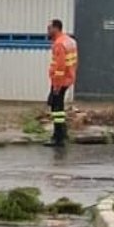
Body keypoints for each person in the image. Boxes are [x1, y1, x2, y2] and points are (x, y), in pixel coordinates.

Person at [47, 18, 78, 147]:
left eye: (49, 28)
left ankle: (58, 137)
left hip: (60, 80)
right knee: (55, 104)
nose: (47, 31)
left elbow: (60, 67)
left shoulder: (59, 44)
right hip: (68, 78)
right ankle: (62, 133)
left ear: (56, 28)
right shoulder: (69, 41)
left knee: (57, 107)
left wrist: (56, 86)